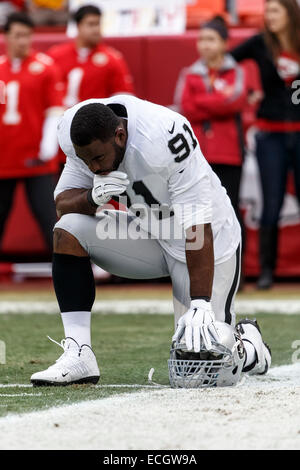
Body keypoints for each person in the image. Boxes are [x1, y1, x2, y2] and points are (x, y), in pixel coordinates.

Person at [30, 95, 271, 387]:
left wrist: (200, 303)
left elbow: (196, 224)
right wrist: (91, 197)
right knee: (67, 230)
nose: (93, 168)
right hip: (150, 233)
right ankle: (79, 353)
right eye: (86, 161)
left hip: (205, 242)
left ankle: (250, 348)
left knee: (202, 371)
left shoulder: (164, 137)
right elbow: (62, 204)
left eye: (98, 159)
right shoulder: (77, 131)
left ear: (120, 136)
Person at [231, 0, 300, 289]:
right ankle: (266, 272)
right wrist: (242, 92)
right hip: (270, 134)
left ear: (290, 13)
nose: (269, 17)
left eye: (275, 11)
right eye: (267, 11)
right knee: (271, 201)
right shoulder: (259, 44)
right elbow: (225, 60)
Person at [175, 16, 247, 252]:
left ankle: (238, 268)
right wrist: (216, 102)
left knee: (230, 209)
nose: (205, 45)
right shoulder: (189, 73)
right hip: (197, 155)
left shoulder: (236, 72)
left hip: (229, 153)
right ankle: (198, 267)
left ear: (225, 43)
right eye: (202, 39)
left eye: (211, 39)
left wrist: (202, 102)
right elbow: (185, 107)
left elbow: (233, 101)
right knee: (197, 211)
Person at [0, 13, 64, 252]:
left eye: (27, 35)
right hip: (3, 157)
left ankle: (67, 271)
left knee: (49, 218)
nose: (22, 41)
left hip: (34, 158)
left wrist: (48, 145)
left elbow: (55, 109)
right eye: (17, 35)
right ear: (6, 37)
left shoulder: (44, 67)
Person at [48, 5, 134, 109]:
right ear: (78, 26)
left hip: (97, 121)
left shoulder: (111, 58)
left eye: (98, 24)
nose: (96, 29)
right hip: (61, 118)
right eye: (91, 24)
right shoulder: (56, 55)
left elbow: (124, 98)